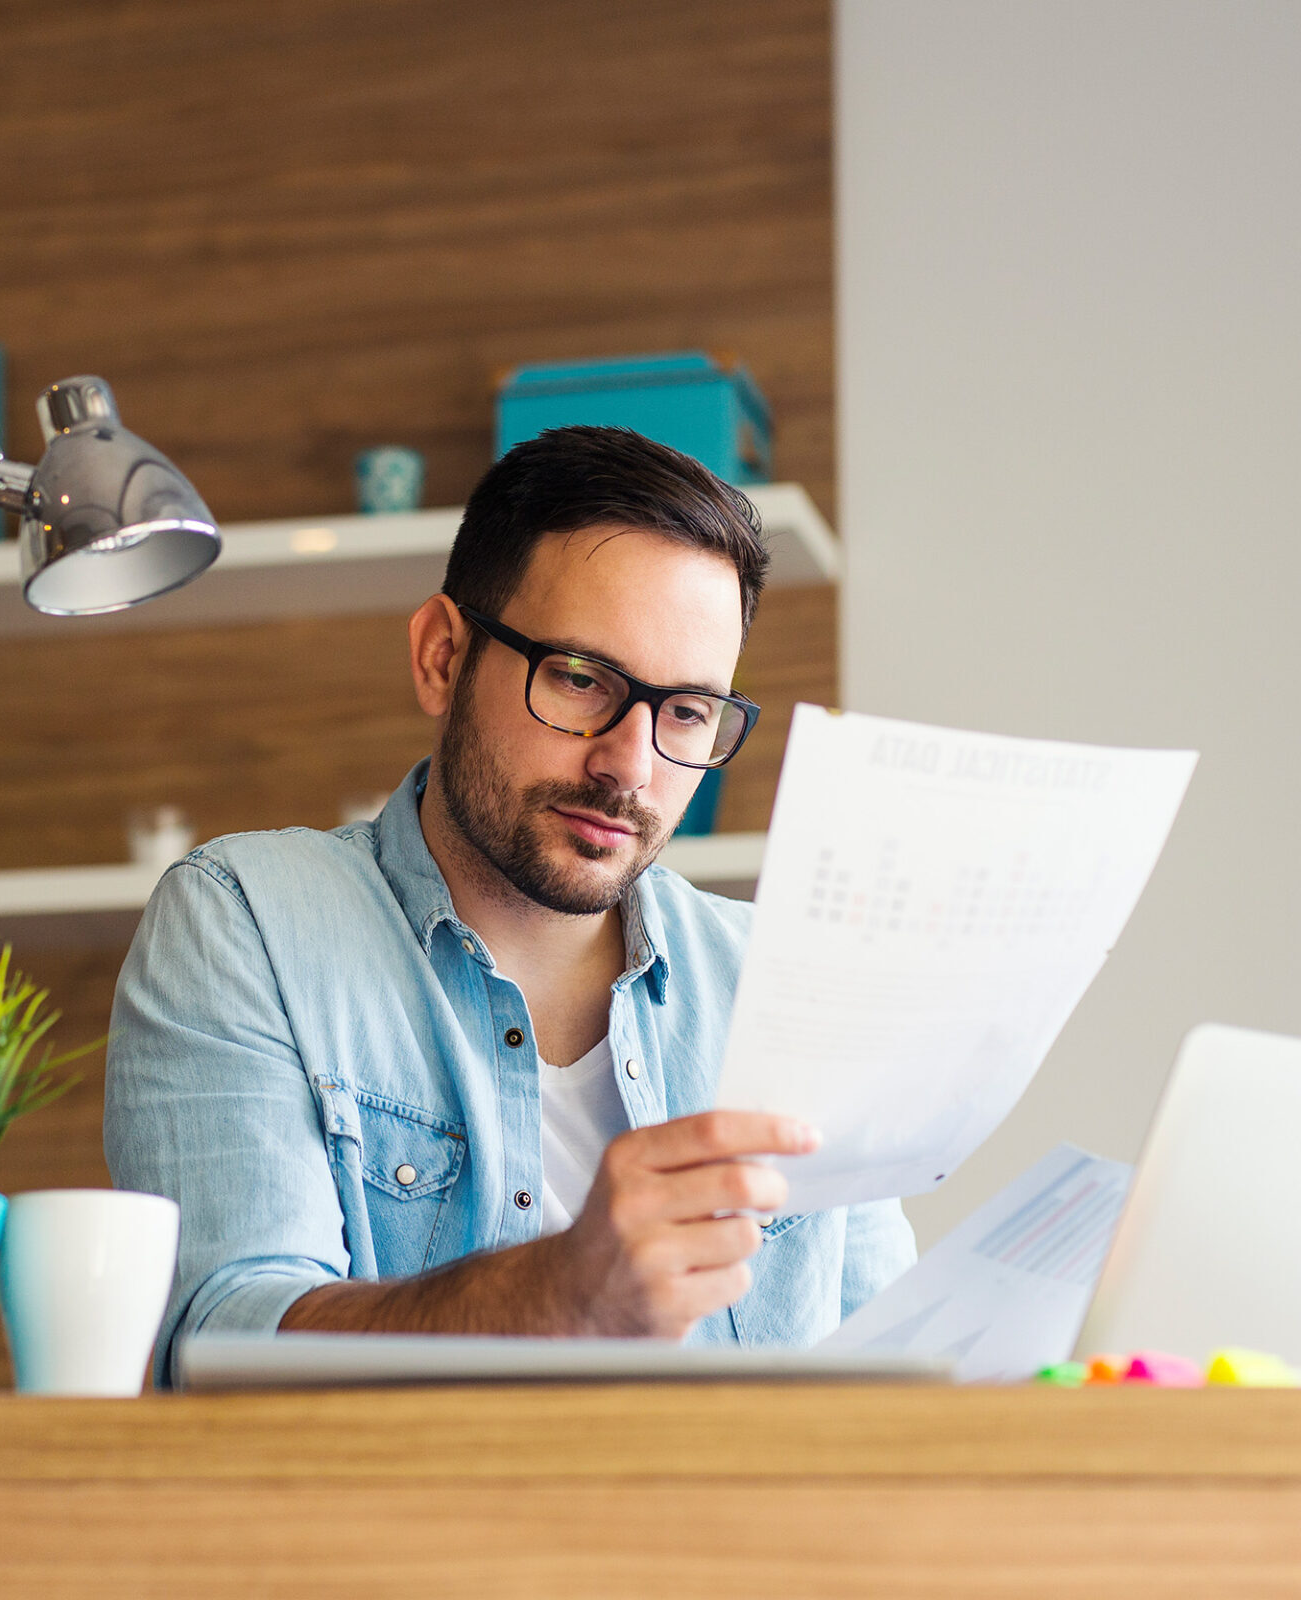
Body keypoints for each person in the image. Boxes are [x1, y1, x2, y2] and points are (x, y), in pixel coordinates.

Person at [105, 425, 914, 1387]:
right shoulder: (246, 921)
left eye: (687, 712)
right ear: (442, 657)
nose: (629, 765)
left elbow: (889, 1368)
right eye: (580, 680)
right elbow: (219, 1348)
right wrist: (555, 1298)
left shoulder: (786, 984)